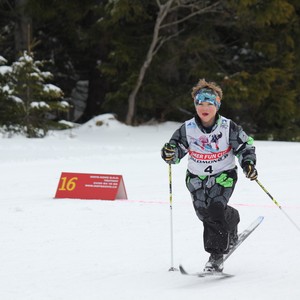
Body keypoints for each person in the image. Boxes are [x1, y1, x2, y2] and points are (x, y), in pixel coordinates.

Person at [161, 78, 258, 272]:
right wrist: (169, 153)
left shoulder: (228, 127)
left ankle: (215, 256)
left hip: (224, 175)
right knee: (204, 213)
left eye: (209, 103)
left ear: (217, 105)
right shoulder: (187, 129)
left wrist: (248, 163)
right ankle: (232, 218)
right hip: (196, 177)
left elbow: (244, 146)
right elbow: (176, 149)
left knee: (215, 208)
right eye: (200, 103)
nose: (204, 108)